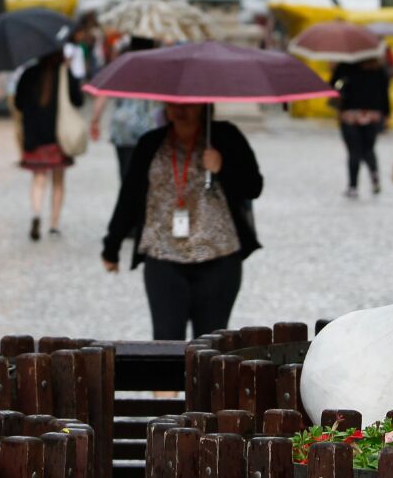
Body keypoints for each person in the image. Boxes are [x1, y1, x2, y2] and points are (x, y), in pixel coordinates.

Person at [101, 103, 263, 340]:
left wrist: (222, 167)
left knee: (210, 347)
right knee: (166, 343)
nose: (180, 108)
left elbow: (253, 187)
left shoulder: (226, 137)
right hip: (163, 256)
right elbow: (130, 196)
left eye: (189, 103)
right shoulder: (151, 143)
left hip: (218, 258)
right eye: (173, 102)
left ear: (204, 105)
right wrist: (111, 247)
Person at [15, 51, 80, 240]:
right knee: (58, 181)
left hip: (35, 137)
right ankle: (54, 224)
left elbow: (19, 103)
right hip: (58, 137)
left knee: (39, 178)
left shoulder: (28, 74)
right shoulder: (64, 74)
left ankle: (36, 214)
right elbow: (78, 100)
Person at [89, 37, 162, 180]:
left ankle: (127, 197)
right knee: (144, 173)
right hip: (147, 126)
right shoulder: (156, 67)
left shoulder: (122, 64)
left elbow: (103, 94)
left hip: (122, 125)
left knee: (125, 172)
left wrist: (95, 120)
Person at [332, 55, 390, 197]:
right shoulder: (379, 68)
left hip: (350, 114)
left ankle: (353, 186)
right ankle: (374, 175)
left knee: (354, 151)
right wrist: (386, 113)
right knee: (368, 149)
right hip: (372, 115)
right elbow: (384, 92)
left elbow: (333, 85)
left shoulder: (345, 66)